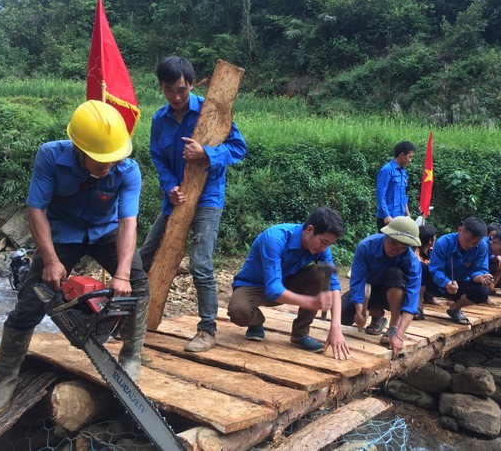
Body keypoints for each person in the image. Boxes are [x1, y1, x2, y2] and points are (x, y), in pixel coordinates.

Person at [0, 101, 149, 416]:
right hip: (61, 233)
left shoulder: (127, 170)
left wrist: (124, 274)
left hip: (105, 232)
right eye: (101, 160)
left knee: (138, 282)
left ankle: (131, 354)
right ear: (78, 147)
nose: (109, 165)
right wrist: (49, 260)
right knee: (31, 303)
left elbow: (128, 223)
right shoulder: (50, 156)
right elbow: (37, 210)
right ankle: (5, 380)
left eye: (113, 158)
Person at [139, 56, 247, 353]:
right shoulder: (159, 119)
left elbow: (239, 148)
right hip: (176, 198)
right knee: (145, 255)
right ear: (160, 87)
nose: (175, 97)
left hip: (208, 197)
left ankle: (207, 330)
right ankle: (132, 315)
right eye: (168, 90)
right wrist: (169, 186)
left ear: (191, 84)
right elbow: (158, 158)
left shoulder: (212, 112)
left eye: (181, 90)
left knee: (200, 263)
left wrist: (207, 153)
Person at [227, 207, 351, 360]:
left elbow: (334, 285)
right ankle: (256, 321)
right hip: (253, 286)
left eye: (329, 244)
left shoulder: (322, 249)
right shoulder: (275, 238)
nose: (324, 248)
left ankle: (300, 334)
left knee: (320, 273)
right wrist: (311, 302)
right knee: (238, 311)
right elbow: (273, 289)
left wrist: (336, 327)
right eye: (324, 242)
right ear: (309, 230)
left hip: (285, 285)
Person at [340, 216, 422, 353]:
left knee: (394, 273)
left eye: (402, 248)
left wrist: (399, 335)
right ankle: (376, 313)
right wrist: (360, 310)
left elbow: (412, 300)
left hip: (394, 294)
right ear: (385, 235)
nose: (396, 250)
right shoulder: (366, 246)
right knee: (343, 313)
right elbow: (357, 281)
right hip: (370, 290)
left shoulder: (412, 261)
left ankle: (393, 325)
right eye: (393, 243)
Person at [428, 216, 493, 325]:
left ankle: (455, 308)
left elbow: (479, 270)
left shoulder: (482, 246)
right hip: (436, 285)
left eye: (475, 243)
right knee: (422, 270)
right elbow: (435, 270)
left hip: (460, 286)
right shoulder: (443, 243)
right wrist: (446, 283)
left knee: (482, 292)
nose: (470, 245)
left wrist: (481, 277)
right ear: (460, 230)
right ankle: (418, 307)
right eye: (468, 240)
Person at [376, 141, 416, 229]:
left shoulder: (403, 172)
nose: (410, 160)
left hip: (400, 218)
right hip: (388, 219)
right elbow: (380, 195)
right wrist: (386, 215)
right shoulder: (387, 170)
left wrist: (408, 215)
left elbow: (403, 196)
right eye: (409, 157)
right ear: (402, 155)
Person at [414, 224, 439, 320]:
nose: (436, 239)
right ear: (430, 241)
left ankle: (430, 297)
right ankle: (419, 305)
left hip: (430, 280)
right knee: (422, 267)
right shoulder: (415, 251)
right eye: (435, 238)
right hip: (416, 281)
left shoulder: (433, 251)